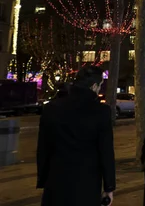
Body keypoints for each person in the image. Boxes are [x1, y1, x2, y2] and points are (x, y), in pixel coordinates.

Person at [36, 65, 116, 206]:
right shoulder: (101, 111)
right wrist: (109, 186)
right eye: (100, 86)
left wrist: (43, 178)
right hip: (86, 183)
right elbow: (106, 151)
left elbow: (43, 148)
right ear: (94, 86)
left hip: (56, 180)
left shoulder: (51, 108)